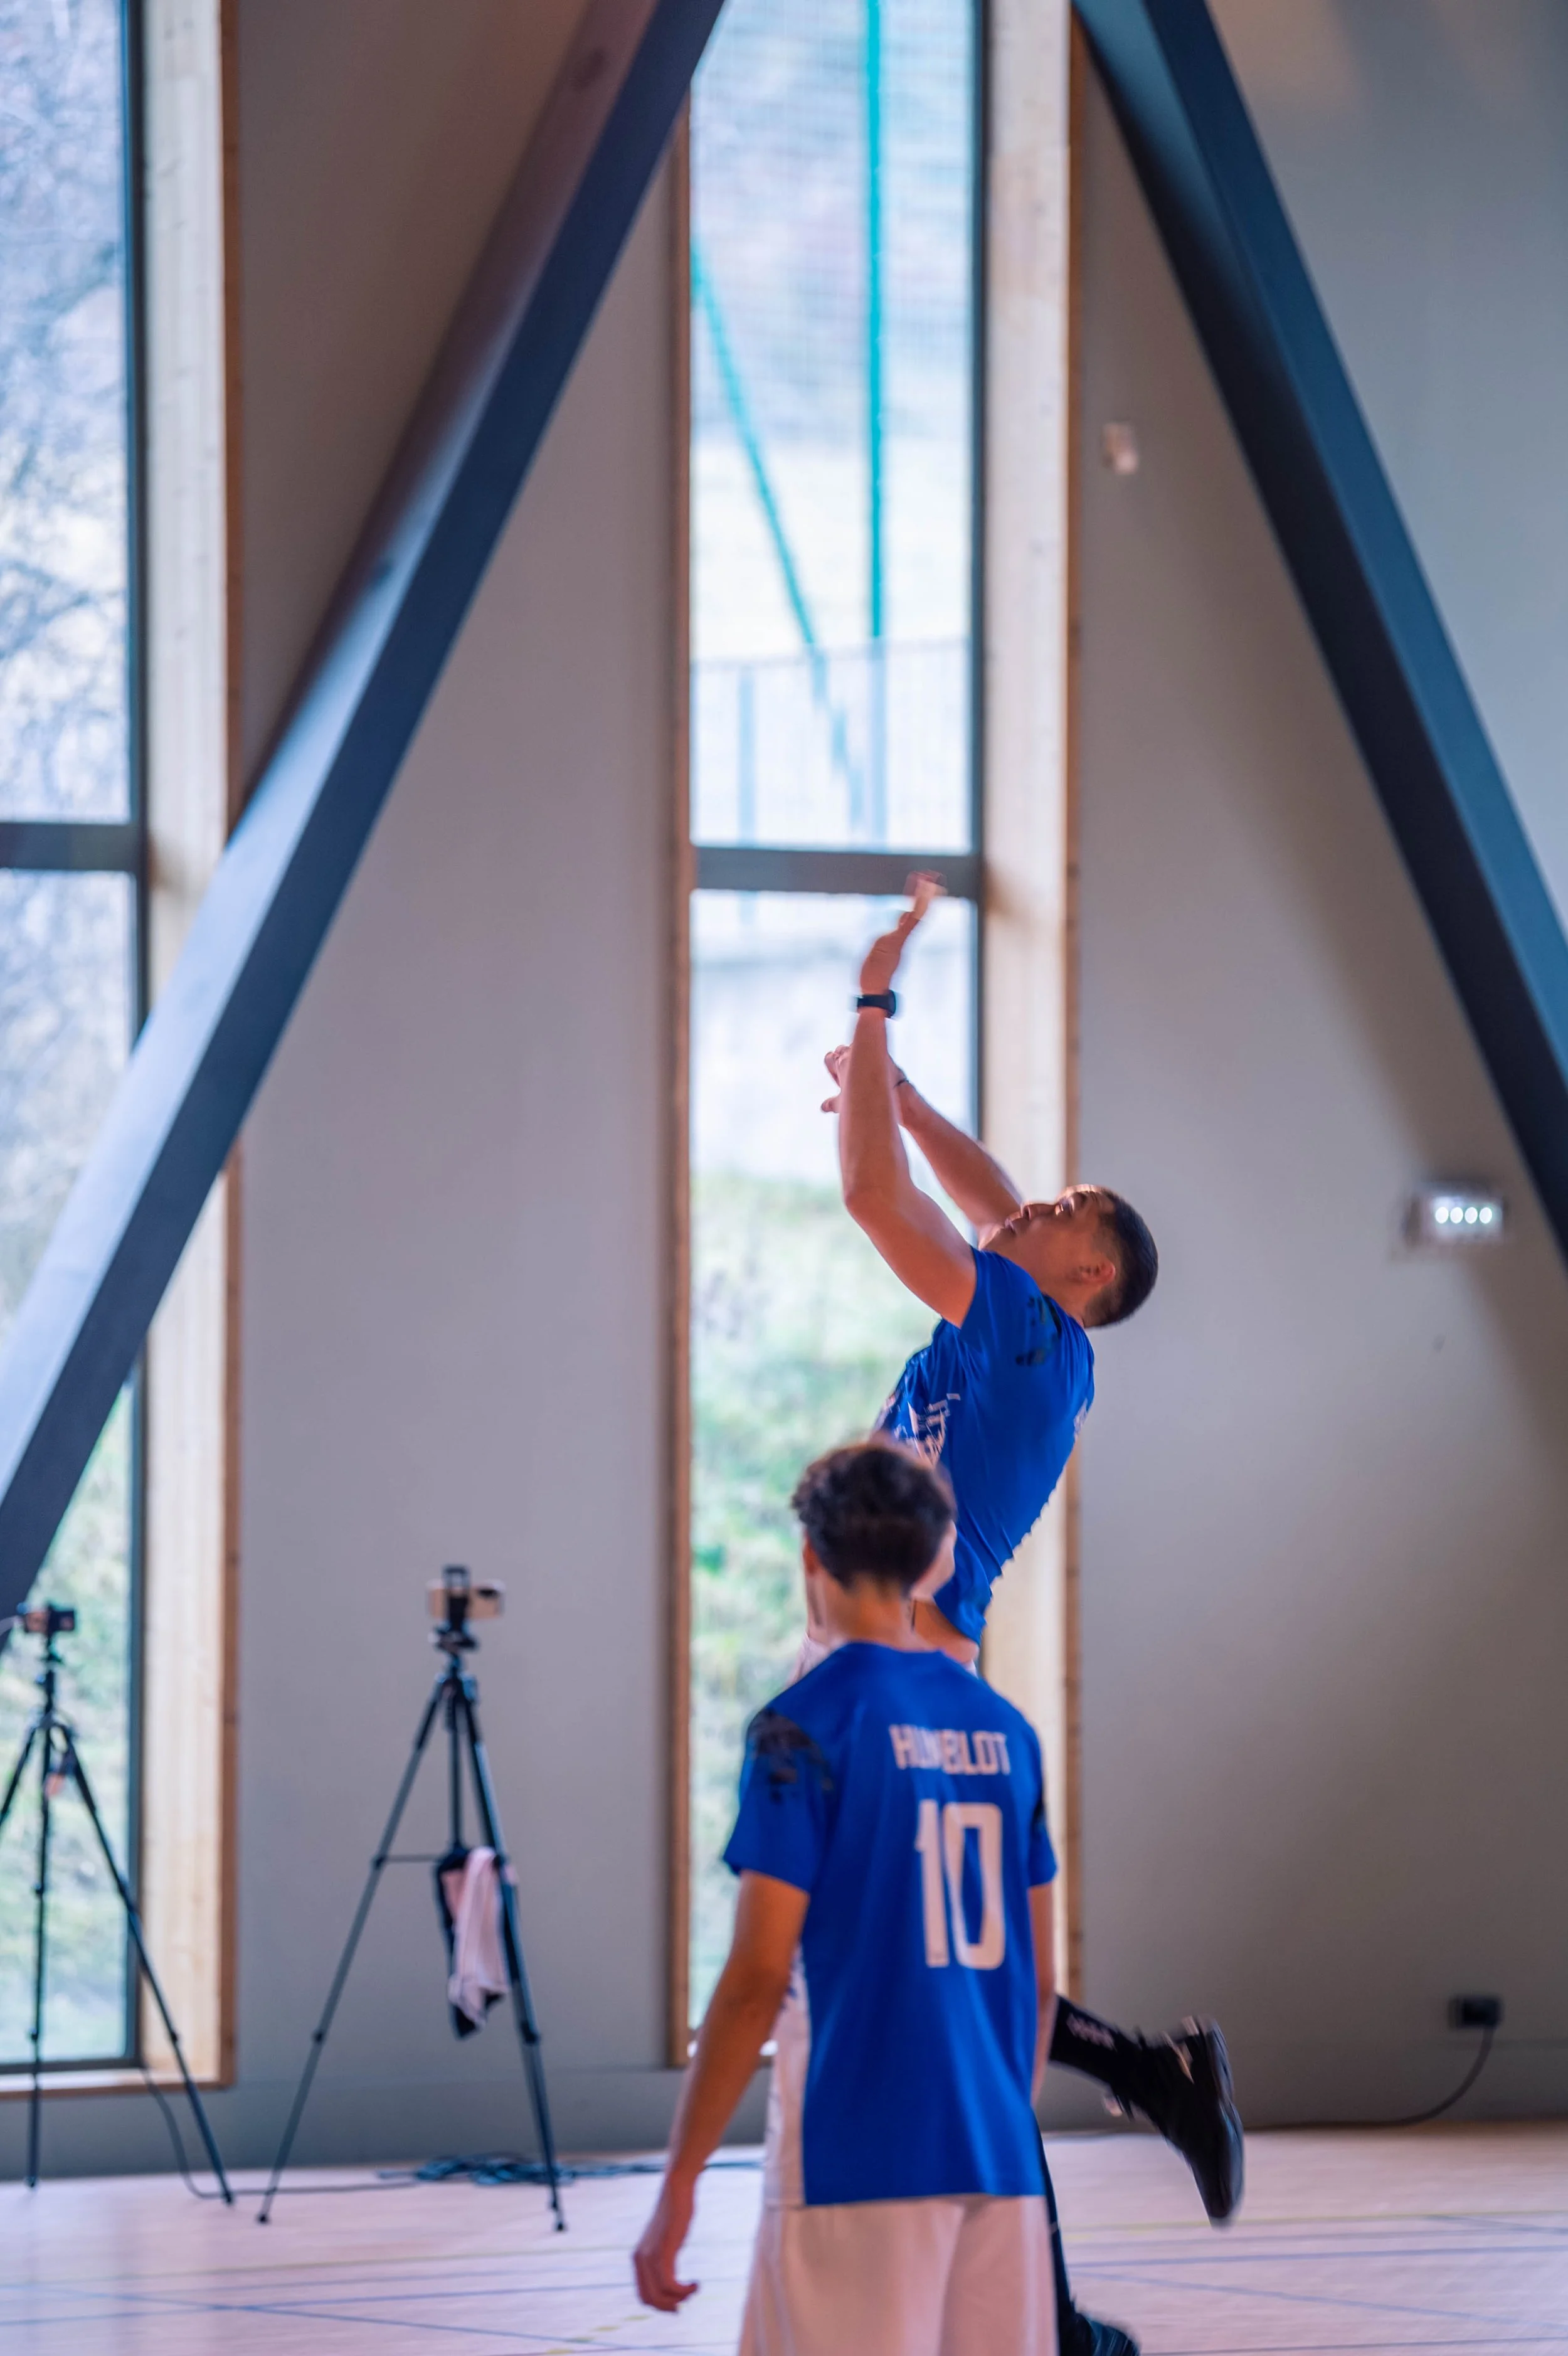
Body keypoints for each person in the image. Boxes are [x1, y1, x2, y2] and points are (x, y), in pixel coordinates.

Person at [817, 879, 1243, 2356]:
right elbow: (978, 1198)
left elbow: (877, 1198)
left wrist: (872, 1009)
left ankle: (1082, 2235)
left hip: (908, 1678)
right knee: (961, 1993)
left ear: (1086, 1276)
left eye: (1060, 1213)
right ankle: (1139, 2101)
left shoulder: (1020, 1330)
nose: (1029, 1206)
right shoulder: (1028, 1329)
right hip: (906, 1668)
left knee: (948, 1997)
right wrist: (909, 1091)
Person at [635, 1440, 1062, 2356]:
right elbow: (1039, 1986)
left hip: (857, 2156)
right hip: (999, 2157)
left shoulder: (804, 1726)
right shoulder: (1009, 1730)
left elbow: (756, 1980)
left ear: (810, 1558)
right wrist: (994, 2117)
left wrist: (680, 2180)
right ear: (929, 1562)